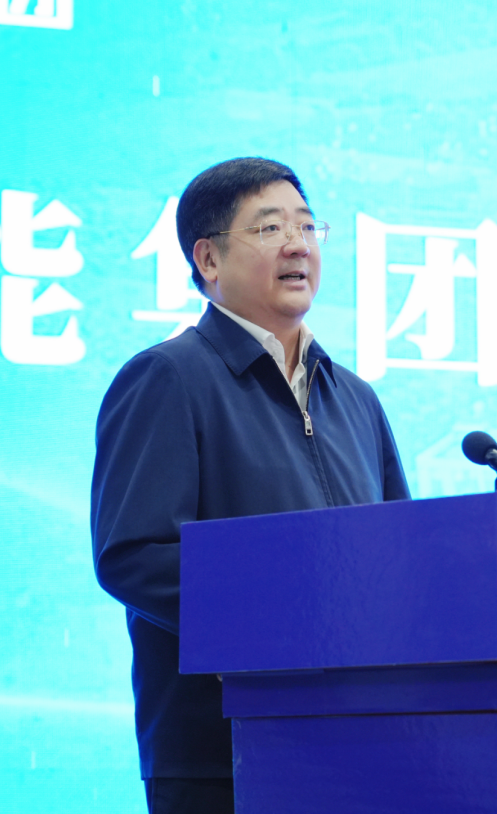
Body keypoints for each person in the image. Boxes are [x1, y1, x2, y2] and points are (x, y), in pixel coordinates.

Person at [90, 157, 411, 814]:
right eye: (269, 228)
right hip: (223, 757)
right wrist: (298, 618)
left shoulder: (355, 398)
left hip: (359, 749)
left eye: (307, 227)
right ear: (208, 260)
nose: (297, 245)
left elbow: (400, 558)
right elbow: (134, 556)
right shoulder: (169, 378)